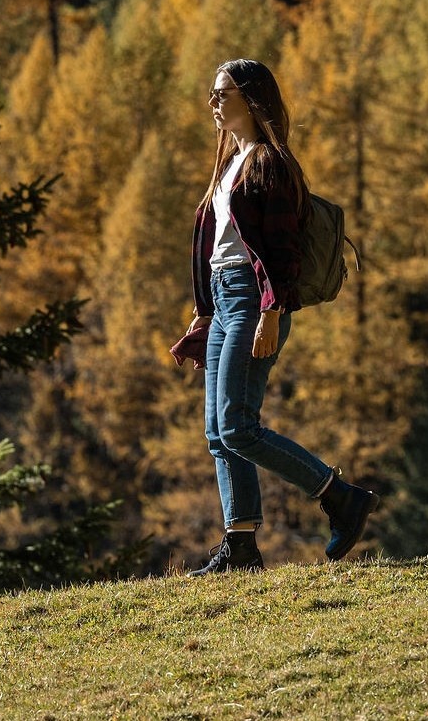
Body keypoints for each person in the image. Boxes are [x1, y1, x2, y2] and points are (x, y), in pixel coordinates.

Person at [176, 58, 378, 575]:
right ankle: (240, 546)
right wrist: (204, 314)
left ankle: (340, 496)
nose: (214, 103)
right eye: (212, 95)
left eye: (223, 94)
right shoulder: (232, 164)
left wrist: (271, 310)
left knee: (239, 426)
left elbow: (283, 253)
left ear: (251, 98)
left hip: (253, 298)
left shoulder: (270, 163)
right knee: (219, 433)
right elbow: (218, 247)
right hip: (225, 300)